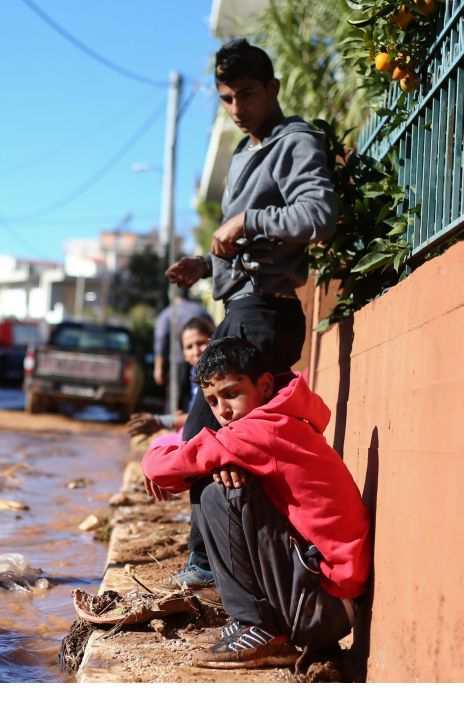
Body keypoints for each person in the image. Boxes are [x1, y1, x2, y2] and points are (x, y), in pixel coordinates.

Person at [163, 39, 338, 591]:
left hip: (267, 311)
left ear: (273, 90)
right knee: (234, 444)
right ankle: (233, 564)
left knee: (205, 434)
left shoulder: (296, 141)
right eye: (226, 99)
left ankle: (213, 567)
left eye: (246, 95)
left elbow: (319, 214)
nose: (237, 108)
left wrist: (245, 223)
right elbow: (248, 243)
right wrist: (206, 265)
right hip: (240, 307)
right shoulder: (243, 154)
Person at [142, 338, 370, 669]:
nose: (222, 410)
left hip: (325, 604)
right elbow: (189, 462)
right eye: (212, 400)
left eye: (231, 393)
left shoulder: (264, 428)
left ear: (264, 386)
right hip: (324, 593)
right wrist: (222, 461)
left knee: (219, 493)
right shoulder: (278, 417)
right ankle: (252, 621)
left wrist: (151, 462)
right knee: (220, 480)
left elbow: (165, 465)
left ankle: (259, 627)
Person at [127, 316, 215, 436]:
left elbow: (202, 416)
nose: (196, 351)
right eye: (189, 347)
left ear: (213, 342)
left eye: (201, 343)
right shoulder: (195, 372)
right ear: (183, 354)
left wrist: (162, 421)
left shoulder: (215, 375)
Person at [152, 293, 210, 388]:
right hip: (202, 359)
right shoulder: (200, 310)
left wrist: (158, 368)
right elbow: (213, 331)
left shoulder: (168, 313)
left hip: (177, 363)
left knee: (176, 399)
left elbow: (161, 340)